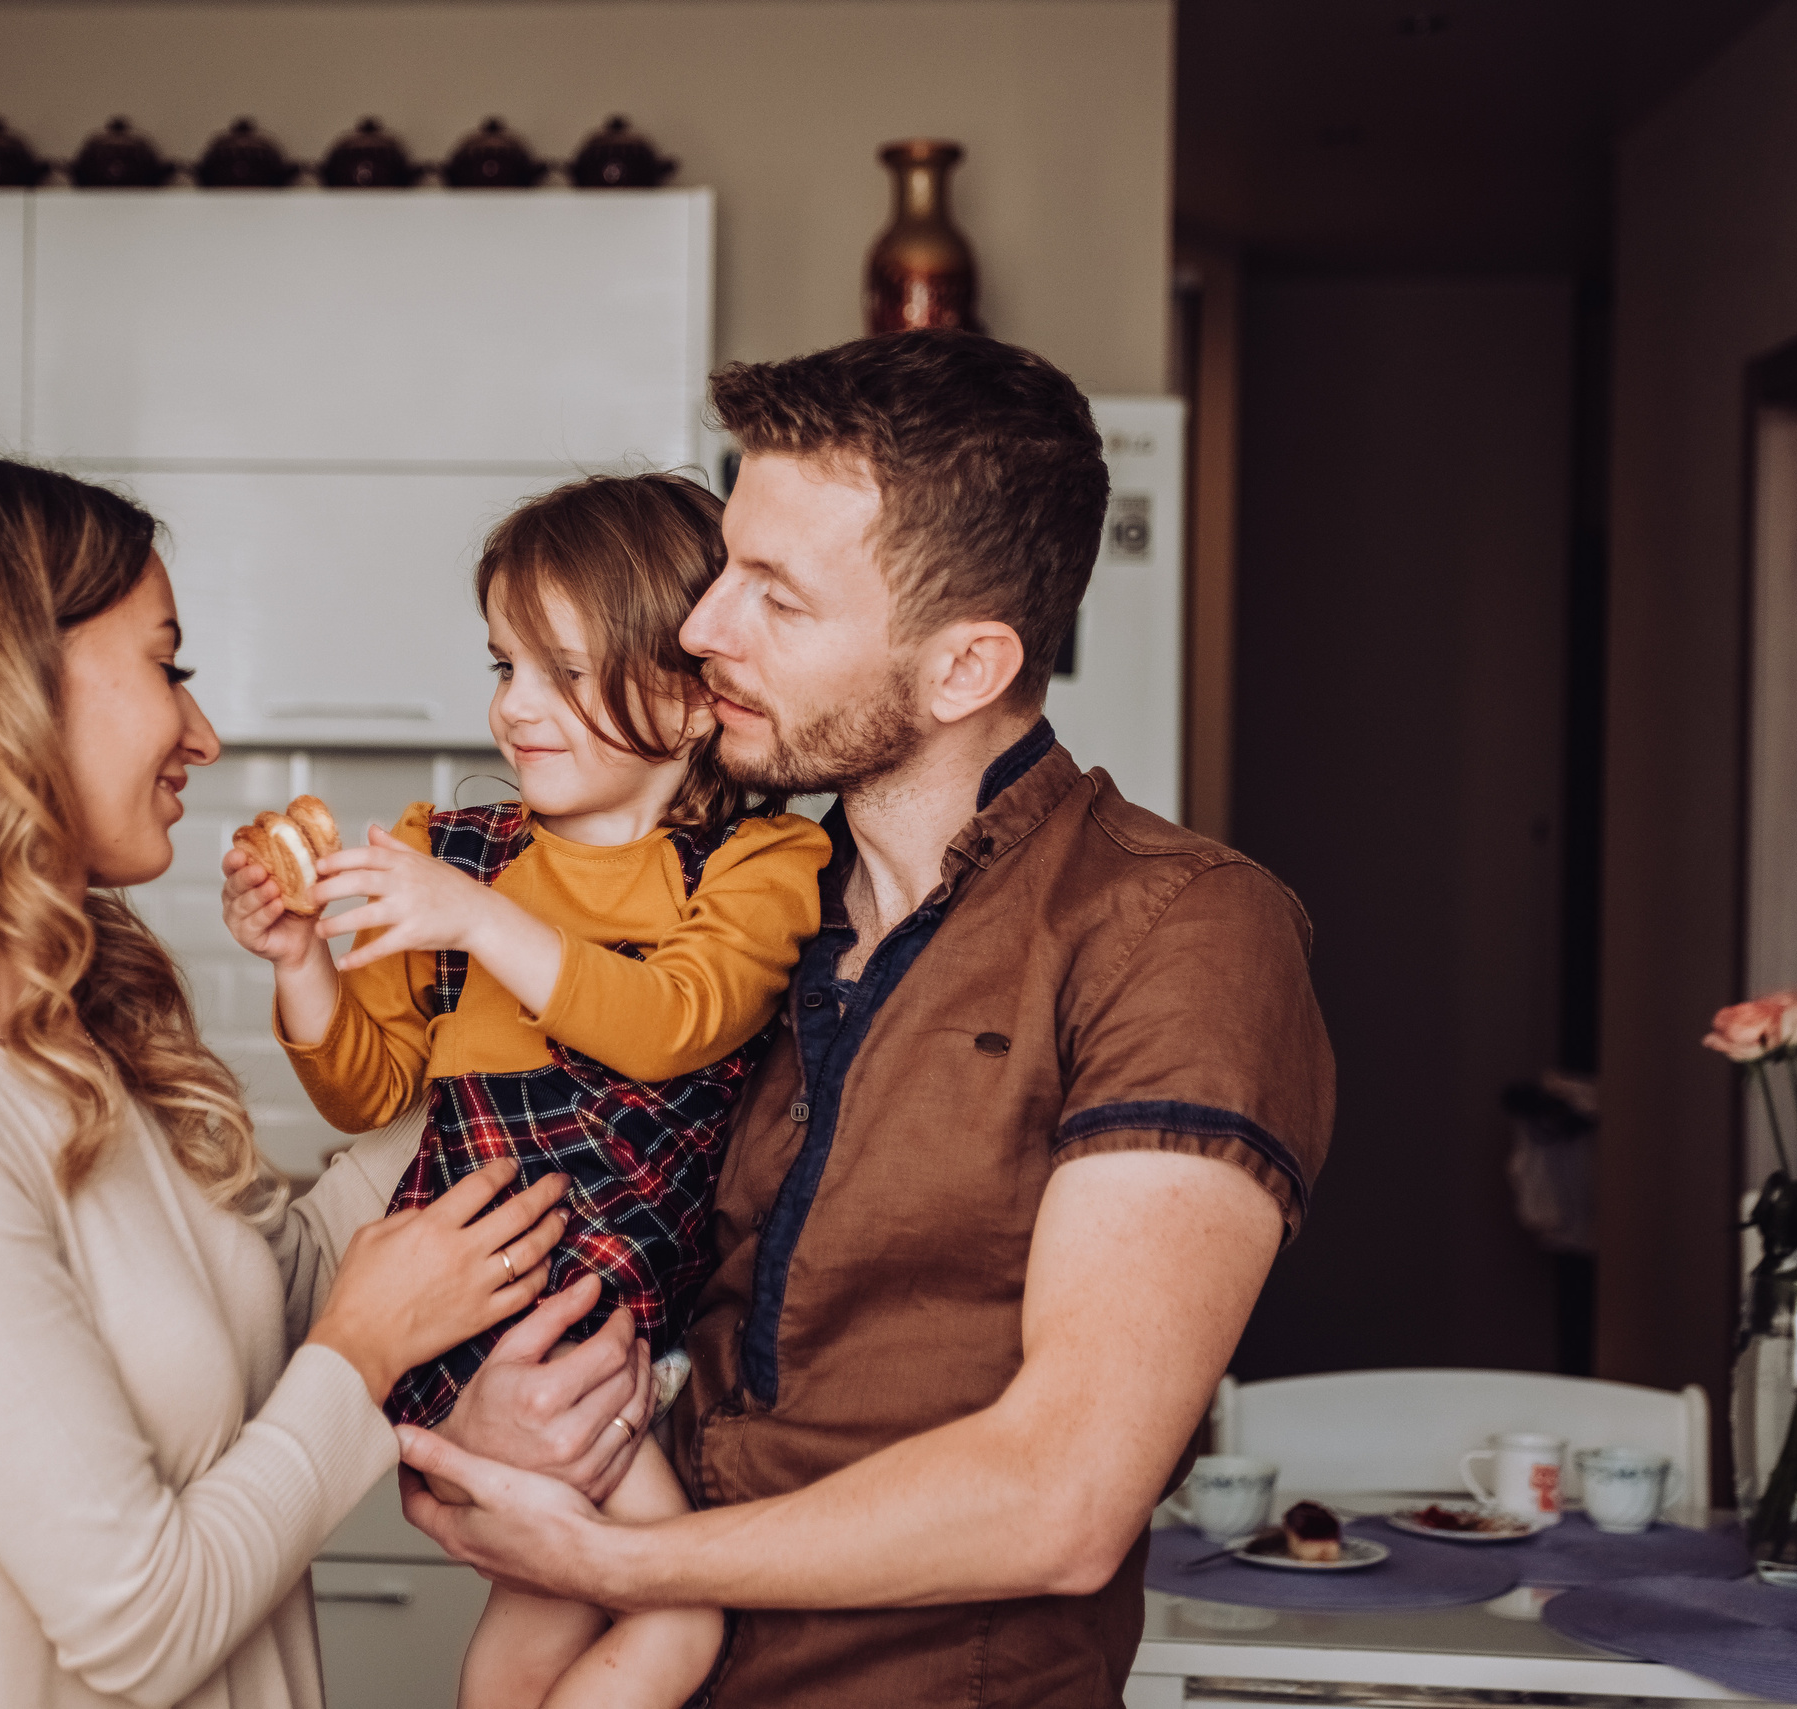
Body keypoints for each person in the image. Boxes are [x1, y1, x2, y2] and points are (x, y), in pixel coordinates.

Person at [396, 331, 1338, 1708]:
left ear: (965, 668)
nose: (704, 625)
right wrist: (484, 1410)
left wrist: (628, 1561)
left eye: (775, 596)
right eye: (724, 564)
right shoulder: (730, 910)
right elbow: (494, 1180)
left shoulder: (1180, 930)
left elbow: (1063, 1496)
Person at [0, 456, 592, 1709]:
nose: (201, 733)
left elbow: (285, 1291)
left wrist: (560, 1035)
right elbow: (141, 1621)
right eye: (169, 666)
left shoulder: (64, 1045)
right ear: (9, 691)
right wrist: (366, 1353)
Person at [222, 474, 833, 1708]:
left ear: (684, 684)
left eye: (560, 672)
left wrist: (478, 921)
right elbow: (369, 1086)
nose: (512, 709)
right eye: (504, 664)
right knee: (679, 1614)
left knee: (555, 1600)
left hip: (616, 1321)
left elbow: (674, 1023)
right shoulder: (443, 857)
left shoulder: (762, 862)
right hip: (496, 1307)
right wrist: (301, 966)